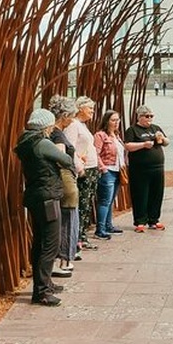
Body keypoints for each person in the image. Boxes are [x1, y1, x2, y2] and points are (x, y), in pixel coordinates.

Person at [14, 108, 74, 306]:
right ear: (45, 126)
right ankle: (42, 291)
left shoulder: (26, 141)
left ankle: (44, 283)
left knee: (40, 241)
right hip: (48, 197)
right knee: (50, 243)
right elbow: (65, 160)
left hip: (35, 195)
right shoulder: (42, 143)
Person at [63, 96, 103, 248]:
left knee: (87, 205)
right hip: (83, 170)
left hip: (91, 169)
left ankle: (82, 235)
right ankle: (77, 237)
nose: (92, 111)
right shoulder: (74, 125)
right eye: (90, 108)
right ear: (80, 109)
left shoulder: (83, 125)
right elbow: (70, 148)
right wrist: (79, 167)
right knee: (82, 204)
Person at [124, 104, 170, 232]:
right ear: (140, 117)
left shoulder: (156, 128)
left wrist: (162, 139)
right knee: (141, 194)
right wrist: (143, 145)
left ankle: (154, 219)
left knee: (156, 193)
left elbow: (166, 142)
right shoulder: (132, 130)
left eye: (151, 116)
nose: (150, 118)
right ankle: (140, 220)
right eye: (147, 116)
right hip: (140, 168)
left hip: (157, 167)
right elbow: (127, 146)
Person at [49, 96, 81, 273]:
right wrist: (72, 164)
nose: (72, 120)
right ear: (65, 115)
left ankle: (62, 260)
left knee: (65, 220)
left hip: (64, 181)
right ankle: (64, 260)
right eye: (71, 116)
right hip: (66, 182)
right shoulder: (58, 134)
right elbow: (60, 157)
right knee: (68, 221)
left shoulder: (53, 132)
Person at [93, 109, 126, 237]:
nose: (116, 122)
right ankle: (100, 229)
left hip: (117, 170)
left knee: (110, 200)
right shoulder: (100, 135)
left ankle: (108, 225)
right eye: (113, 120)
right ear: (106, 121)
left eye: (118, 120)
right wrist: (103, 168)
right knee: (104, 201)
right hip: (107, 171)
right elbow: (95, 153)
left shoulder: (116, 136)